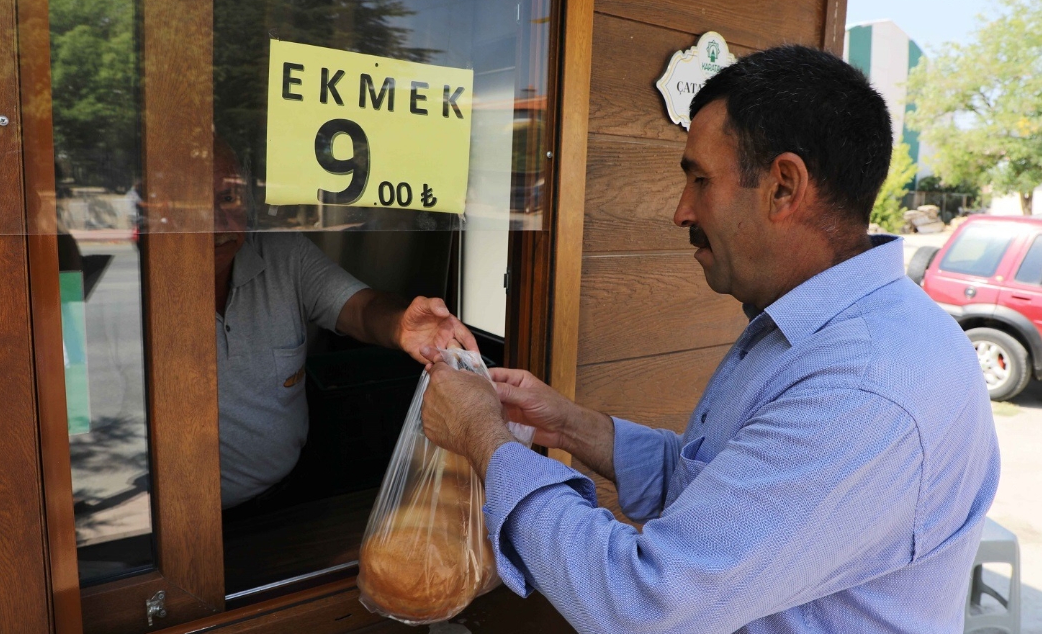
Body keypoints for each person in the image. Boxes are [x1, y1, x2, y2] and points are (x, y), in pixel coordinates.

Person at [418, 45, 1001, 633]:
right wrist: (566, 425)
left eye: (700, 179)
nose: (681, 210)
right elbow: (714, 489)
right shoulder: (812, 330)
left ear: (783, 188)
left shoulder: (865, 386)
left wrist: (484, 437)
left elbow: (643, 603)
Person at [212, 141, 477, 510]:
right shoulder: (138, 287)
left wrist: (401, 325)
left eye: (228, 199)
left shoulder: (282, 255)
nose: (217, 223)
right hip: (170, 526)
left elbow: (361, 308)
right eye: (195, 206)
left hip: (282, 501)